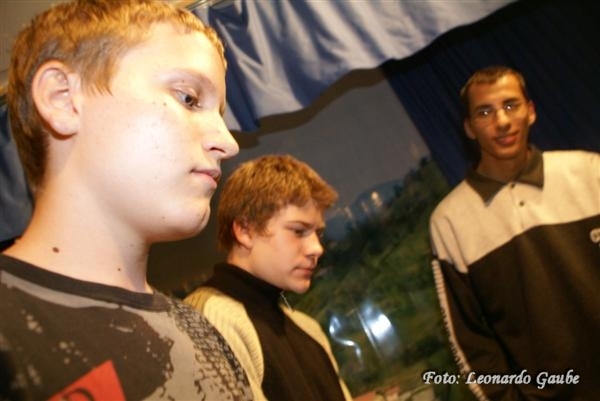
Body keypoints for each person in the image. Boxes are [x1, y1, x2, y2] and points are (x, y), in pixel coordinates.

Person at [0, 1, 253, 400]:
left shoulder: (202, 334)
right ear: (63, 98)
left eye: (219, 113)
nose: (228, 141)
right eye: (188, 98)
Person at [429, 65, 600, 400]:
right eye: (485, 112)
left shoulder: (590, 172)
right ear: (469, 128)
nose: (502, 121)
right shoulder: (449, 222)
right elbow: (471, 344)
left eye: (511, 105)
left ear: (530, 111)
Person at [185, 154, 353, 401]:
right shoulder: (208, 323)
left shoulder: (309, 329)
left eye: (317, 233)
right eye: (298, 231)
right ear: (245, 231)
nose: (316, 248)